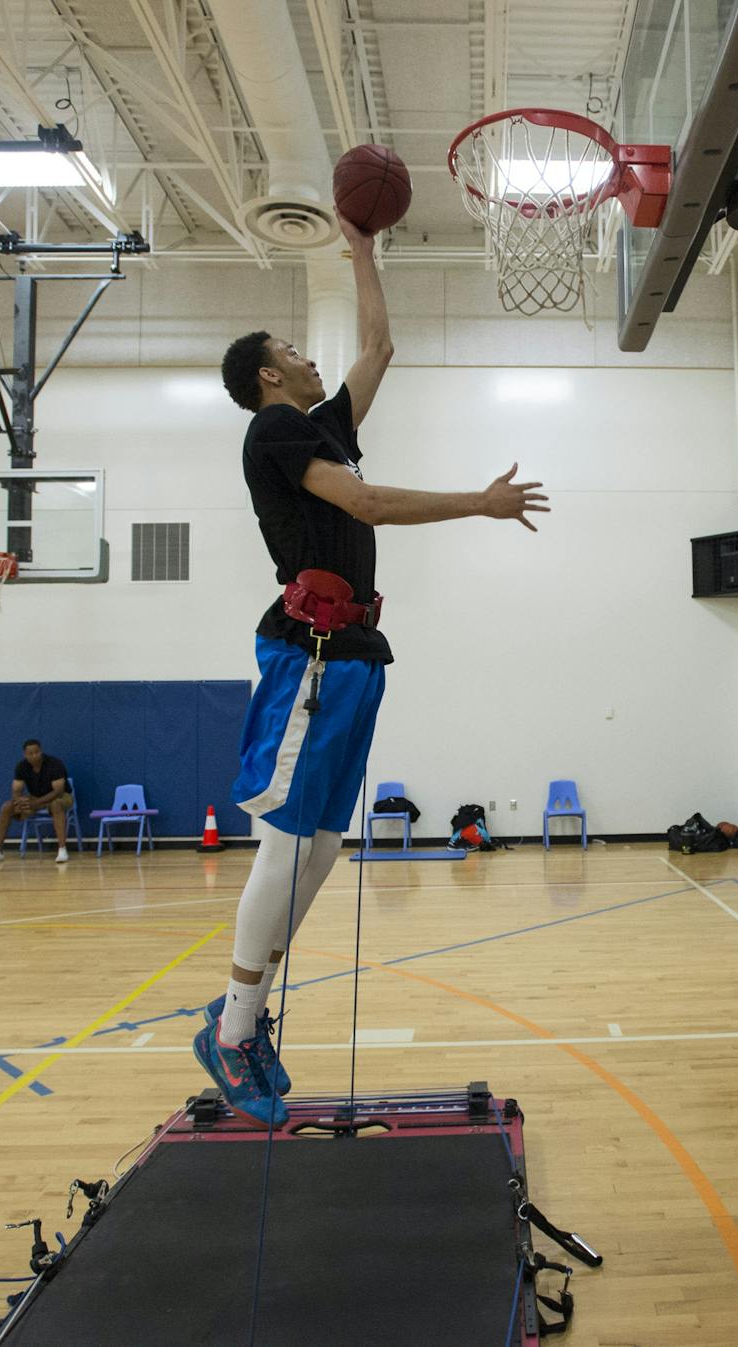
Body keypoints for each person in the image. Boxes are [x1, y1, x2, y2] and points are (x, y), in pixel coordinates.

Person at [196, 211, 549, 1127]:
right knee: (287, 839)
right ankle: (232, 1031)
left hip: (353, 649)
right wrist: (481, 502)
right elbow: (365, 505)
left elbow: (380, 343)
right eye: (292, 349)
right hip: (308, 651)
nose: (312, 359)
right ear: (269, 374)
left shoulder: (323, 425)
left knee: (322, 845)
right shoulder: (276, 432)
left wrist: (360, 247)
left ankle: (245, 1016)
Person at [0, 739, 72, 864]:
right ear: (25, 754)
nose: (34, 755)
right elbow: (16, 789)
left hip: (60, 796)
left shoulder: (54, 764)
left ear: (41, 751)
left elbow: (58, 791)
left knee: (56, 805)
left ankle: (62, 849)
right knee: (7, 807)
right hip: (35, 798)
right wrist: (18, 801)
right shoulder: (22, 766)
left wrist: (37, 803)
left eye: (37, 752)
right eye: (31, 753)